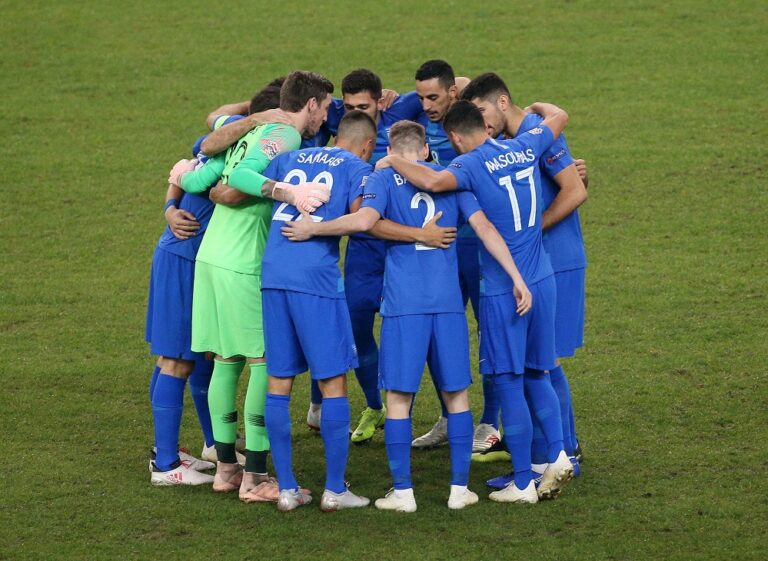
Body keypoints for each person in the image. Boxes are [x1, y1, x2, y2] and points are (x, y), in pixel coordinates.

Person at [281, 120, 531, 512]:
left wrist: (315, 229)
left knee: (398, 398)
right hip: (447, 305)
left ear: (389, 151)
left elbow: (366, 222)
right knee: (457, 396)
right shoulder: (450, 179)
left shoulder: (381, 180)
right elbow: (484, 228)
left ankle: (403, 493)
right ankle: (459, 490)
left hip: (403, 306)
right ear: (426, 150)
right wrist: (517, 277)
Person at [374, 100, 574, 504]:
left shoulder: (466, 167)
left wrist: (392, 161)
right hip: (540, 277)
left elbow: (431, 185)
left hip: (501, 290)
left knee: (508, 381)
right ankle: (556, 455)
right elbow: (559, 118)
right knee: (540, 371)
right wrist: (533, 106)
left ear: (453, 137)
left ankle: (522, 482)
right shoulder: (525, 144)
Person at [167, 70, 335, 502]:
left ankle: (226, 470)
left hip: (212, 256)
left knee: (226, 361)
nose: (326, 117)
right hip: (242, 262)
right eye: (325, 107)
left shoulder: (253, 131)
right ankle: (256, 478)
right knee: (264, 363)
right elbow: (242, 176)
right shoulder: (285, 134)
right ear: (311, 104)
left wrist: (182, 177)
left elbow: (203, 178)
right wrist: (288, 193)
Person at [145, 84, 289, 486]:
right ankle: (166, 464)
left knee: (205, 356)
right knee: (176, 359)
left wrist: (170, 205)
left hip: (196, 257)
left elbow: (187, 161)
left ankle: (212, 444)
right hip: (185, 257)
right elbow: (184, 167)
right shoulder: (244, 140)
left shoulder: (239, 136)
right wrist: (170, 208)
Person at [460, 73, 588, 484]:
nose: (480, 122)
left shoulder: (535, 133)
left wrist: (530, 233)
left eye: (481, 111)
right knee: (539, 364)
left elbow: (575, 190)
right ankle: (548, 456)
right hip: (536, 261)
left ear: (502, 102)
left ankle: (563, 452)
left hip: (554, 259)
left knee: (544, 365)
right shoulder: (512, 141)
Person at [410, 60, 489, 452]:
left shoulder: (474, 123)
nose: (426, 105)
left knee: (490, 332)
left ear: (453, 93)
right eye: (421, 98)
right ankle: (448, 414)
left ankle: (489, 423)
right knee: (435, 333)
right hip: (439, 248)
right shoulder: (418, 123)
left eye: (433, 97)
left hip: (479, 246)